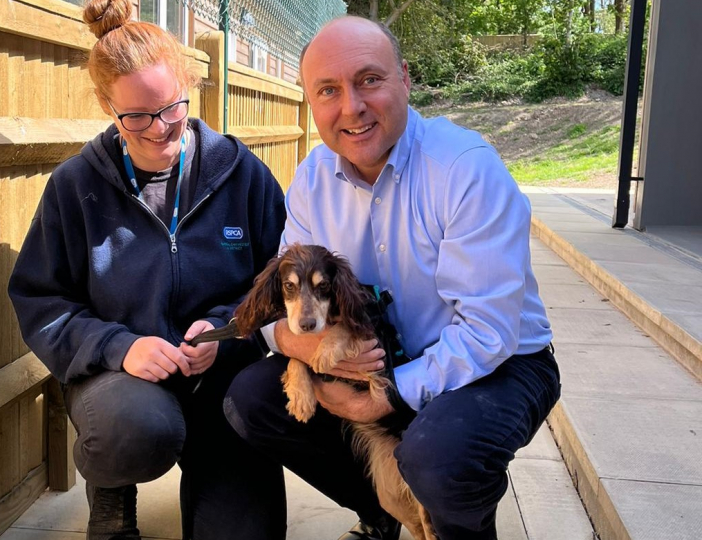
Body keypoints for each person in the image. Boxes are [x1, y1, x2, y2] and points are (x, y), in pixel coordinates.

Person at [223, 16, 561, 540]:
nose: (351, 107)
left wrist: (388, 395)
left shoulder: (464, 168)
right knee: (251, 400)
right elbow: (281, 310)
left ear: (404, 78)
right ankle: (381, 511)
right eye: (328, 90)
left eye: (369, 80)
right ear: (310, 102)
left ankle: (453, 523)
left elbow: (489, 332)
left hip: (502, 363)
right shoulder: (314, 178)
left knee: (437, 455)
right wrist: (303, 348)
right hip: (375, 356)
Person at [7, 1, 287, 539]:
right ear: (106, 107)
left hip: (218, 376)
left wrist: (227, 330)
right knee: (136, 429)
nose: (160, 130)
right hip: (119, 382)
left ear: (188, 87)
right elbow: (42, 304)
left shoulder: (241, 173)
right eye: (136, 117)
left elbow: (279, 280)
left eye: (171, 109)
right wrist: (120, 347)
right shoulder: (74, 187)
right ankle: (111, 490)